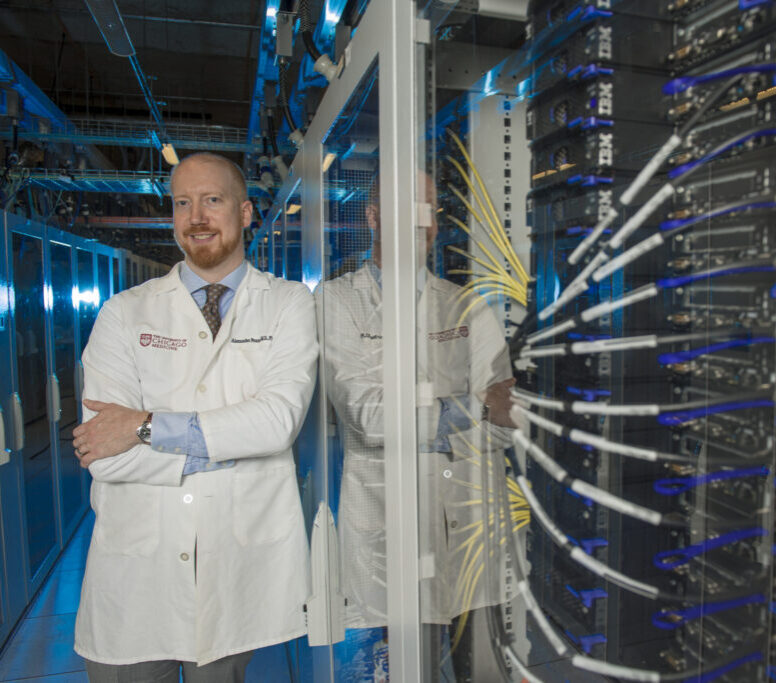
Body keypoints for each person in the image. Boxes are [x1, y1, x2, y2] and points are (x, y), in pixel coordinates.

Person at [70, 152, 318, 682]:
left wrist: (142, 428)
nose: (196, 216)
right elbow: (103, 458)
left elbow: (276, 423)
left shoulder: (288, 305)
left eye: (212, 200)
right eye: (183, 202)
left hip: (234, 568)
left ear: (247, 212)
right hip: (137, 576)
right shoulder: (123, 313)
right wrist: (227, 450)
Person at [317, 171, 516, 678]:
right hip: (387, 528)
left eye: (426, 210)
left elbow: (505, 419)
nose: (417, 222)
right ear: (374, 217)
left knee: (485, 671)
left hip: (470, 527)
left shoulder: (468, 305)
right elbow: (367, 417)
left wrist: (431, 419)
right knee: (408, 670)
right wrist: (467, 408)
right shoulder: (336, 302)